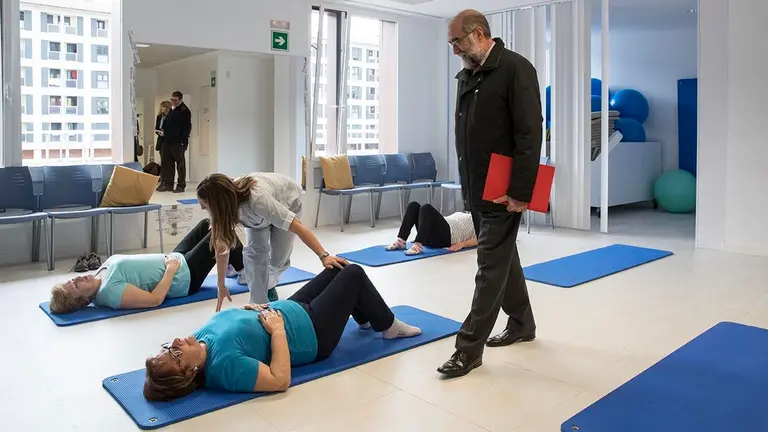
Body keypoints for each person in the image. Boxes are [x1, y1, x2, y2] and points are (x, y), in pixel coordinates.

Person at [437, 10, 543, 378]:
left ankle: (468, 350)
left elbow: (530, 134)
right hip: (477, 187)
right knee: (502, 259)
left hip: (503, 192)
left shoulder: (516, 69)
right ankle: (522, 323)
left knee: (489, 269)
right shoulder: (468, 74)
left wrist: (520, 191)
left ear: (479, 34)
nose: (454, 50)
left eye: (457, 42)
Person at [142, 264, 422, 400]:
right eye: (175, 353)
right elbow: (279, 380)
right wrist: (276, 332)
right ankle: (388, 327)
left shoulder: (197, 344)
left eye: (168, 346)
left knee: (335, 268)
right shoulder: (225, 368)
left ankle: (364, 317)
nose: (177, 342)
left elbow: (233, 327)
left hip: (291, 309)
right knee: (353, 274)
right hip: (312, 334)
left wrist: (249, 310)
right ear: (190, 372)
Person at [196, 172, 349, 311]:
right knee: (254, 257)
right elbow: (221, 247)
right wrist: (220, 284)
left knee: (278, 261)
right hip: (256, 219)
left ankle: (268, 285)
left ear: (217, 202)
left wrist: (324, 256)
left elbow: (299, 227)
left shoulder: (257, 201)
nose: (201, 207)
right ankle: (258, 307)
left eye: (203, 203)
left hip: (287, 202)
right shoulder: (221, 208)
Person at [48, 219, 245, 313]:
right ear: (82, 300)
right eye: (75, 285)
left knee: (207, 223)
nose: (77, 278)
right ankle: (244, 269)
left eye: (71, 279)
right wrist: (171, 269)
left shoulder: (100, 275)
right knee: (220, 231)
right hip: (183, 276)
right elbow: (154, 299)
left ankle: (229, 263)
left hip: (175, 258)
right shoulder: (110, 293)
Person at [386, 201, 477, 255]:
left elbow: (479, 240)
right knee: (413, 205)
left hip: (447, 236)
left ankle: (418, 245)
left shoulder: (481, 223)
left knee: (426, 208)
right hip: (437, 230)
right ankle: (401, 241)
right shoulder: (466, 214)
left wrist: (462, 245)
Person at [157, 91, 191, 193]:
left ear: (180, 100)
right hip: (167, 141)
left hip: (178, 142)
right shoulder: (172, 109)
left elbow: (186, 128)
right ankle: (168, 184)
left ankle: (181, 185)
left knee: (180, 164)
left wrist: (183, 142)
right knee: (167, 163)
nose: (173, 102)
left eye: (175, 100)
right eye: (172, 99)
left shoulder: (184, 111)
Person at [153, 101, 171, 176]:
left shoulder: (170, 117)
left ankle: (167, 178)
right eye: (162, 107)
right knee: (162, 160)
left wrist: (166, 132)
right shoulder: (159, 116)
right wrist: (159, 132)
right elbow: (156, 128)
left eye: (164, 107)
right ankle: (163, 178)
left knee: (168, 161)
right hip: (161, 140)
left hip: (169, 140)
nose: (162, 108)